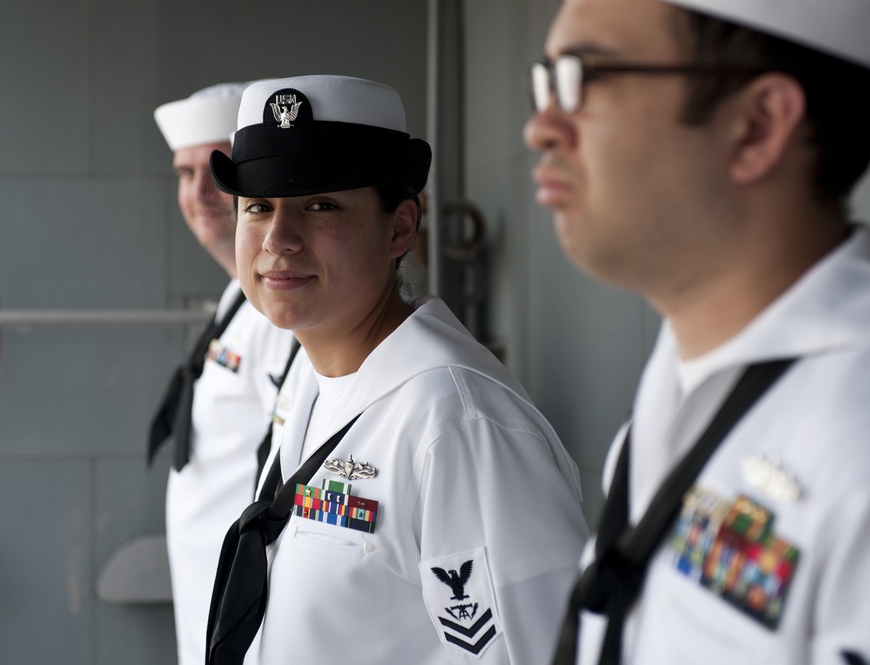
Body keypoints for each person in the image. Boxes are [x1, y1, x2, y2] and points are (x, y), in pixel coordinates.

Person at [524, 0, 870, 663]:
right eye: (546, 81)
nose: (541, 126)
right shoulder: (690, 371)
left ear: (756, 126)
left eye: (584, 77)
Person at [203, 74, 589, 665]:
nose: (278, 240)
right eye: (258, 207)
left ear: (401, 227)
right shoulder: (317, 374)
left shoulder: (458, 422)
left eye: (320, 205)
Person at [151, 83, 295, 665]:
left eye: (216, 169)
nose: (198, 192)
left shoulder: (284, 303)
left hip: (253, 614)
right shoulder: (238, 295)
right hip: (208, 594)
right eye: (184, 174)